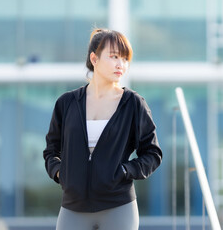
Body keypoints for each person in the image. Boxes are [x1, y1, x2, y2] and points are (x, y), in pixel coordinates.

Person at [43, 28, 163, 230]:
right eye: (114, 56)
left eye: (125, 59)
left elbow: (153, 154)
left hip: (119, 207)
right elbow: (51, 151)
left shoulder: (133, 104)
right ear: (94, 58)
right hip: (73, 208)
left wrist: (124, 170)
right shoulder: (67, 103)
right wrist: (60, 173)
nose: (121, 64)